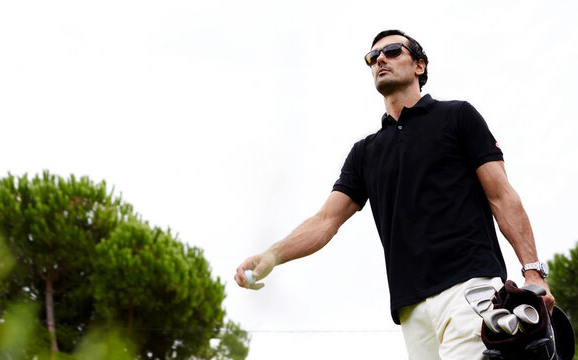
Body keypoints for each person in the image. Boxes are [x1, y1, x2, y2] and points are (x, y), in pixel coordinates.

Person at [234, 29, 555, 359]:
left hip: (469, 289)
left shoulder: (458, 116)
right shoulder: (365, 153)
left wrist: (533, 272)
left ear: (419, 65)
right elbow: (325, 221)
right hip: (410, 309)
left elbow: (501, 195)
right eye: (373, 58)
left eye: (391, 51)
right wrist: (271, 256)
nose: (380, 60)